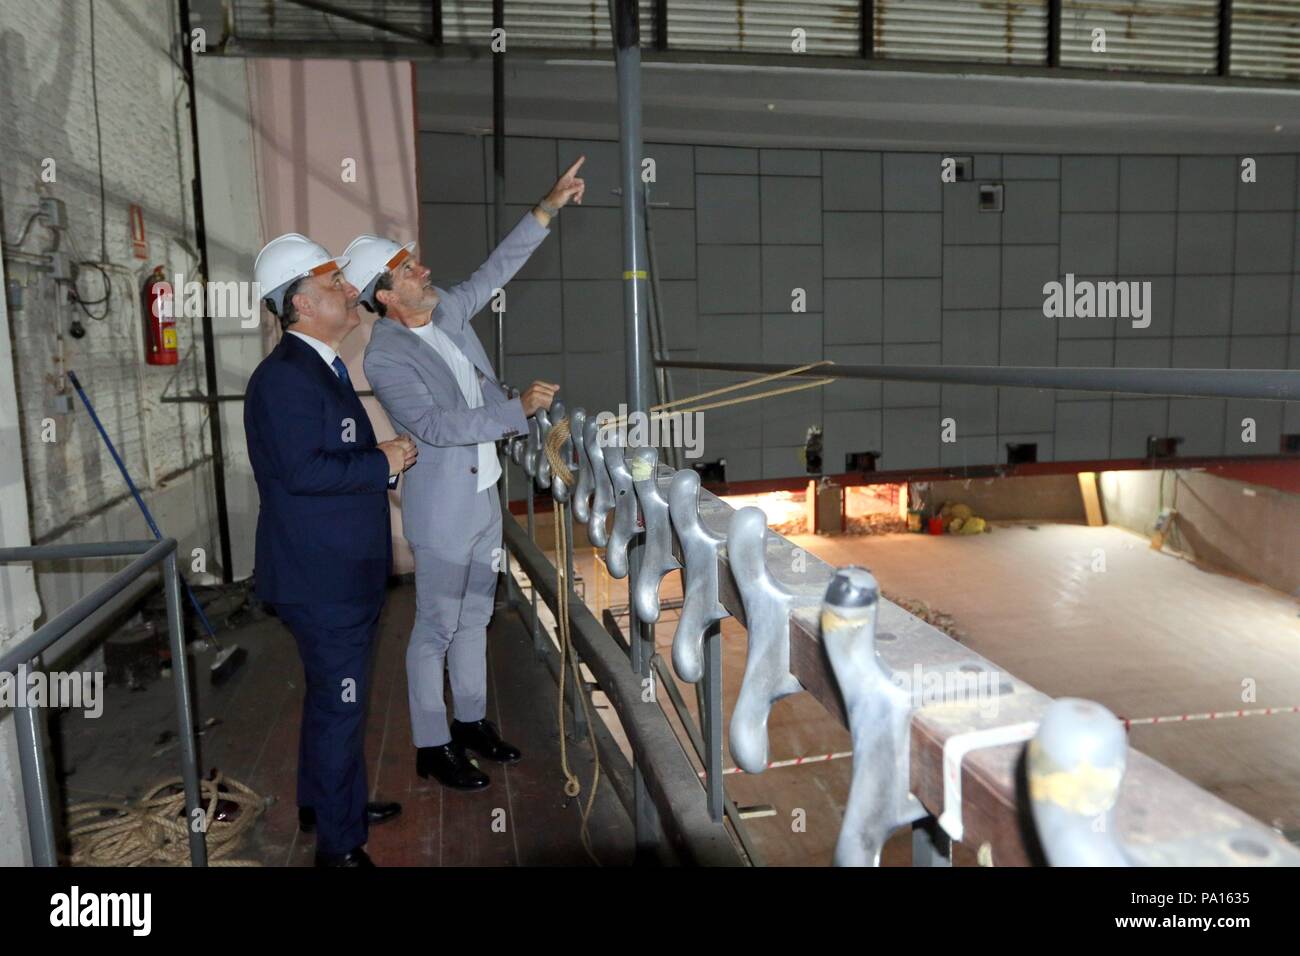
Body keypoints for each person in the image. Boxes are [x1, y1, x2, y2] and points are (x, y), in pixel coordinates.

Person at [347, 157, 585, 790]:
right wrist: (516, 410)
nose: (423, 270)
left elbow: (495, 270)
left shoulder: (446, 311)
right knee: (436, 627)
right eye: (407, 270)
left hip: (482, 497)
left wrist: (548, 206)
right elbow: (435, 427)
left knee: (477, 614)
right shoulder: (386, 358)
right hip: (442, 512)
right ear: (387, 297)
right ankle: (431, 741)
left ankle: (472, 720)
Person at [245, 233, 417, 866]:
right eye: (333, 286)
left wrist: (377, 463)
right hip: (323, 577)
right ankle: (340, 848)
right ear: (300, 305)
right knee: (343, 703)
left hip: (335, 569)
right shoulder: (287, 377)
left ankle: (325, 802)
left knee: (332, 696)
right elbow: (303, 471)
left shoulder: (317, 366)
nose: (351, 291)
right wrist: (383, 461)